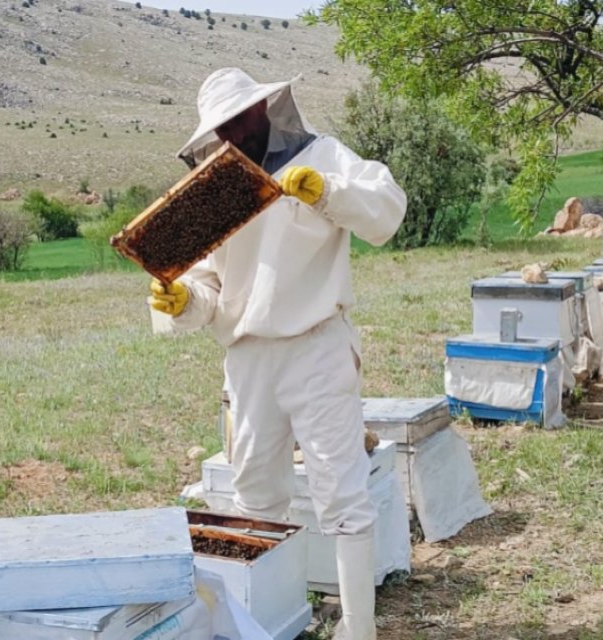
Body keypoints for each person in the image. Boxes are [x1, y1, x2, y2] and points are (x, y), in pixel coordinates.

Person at [149, 68, 405, 640]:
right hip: (248, 360)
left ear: (265, 108)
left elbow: (388, 211)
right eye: (222, 129)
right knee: (257, 495)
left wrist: (331, 193)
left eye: (240, 118)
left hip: (318, 346)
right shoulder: (215, 195)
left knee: (343, 491)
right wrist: (182, 298)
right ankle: (272, 620)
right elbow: (209, 291)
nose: (234, 135)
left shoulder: (326, 156)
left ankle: (359, 629)